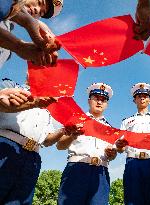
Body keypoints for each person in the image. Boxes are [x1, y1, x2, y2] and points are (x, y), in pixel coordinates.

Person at [0, 77, 76, 205]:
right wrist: (34, 102)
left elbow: (47, 141)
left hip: (32, 158)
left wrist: (63, 131)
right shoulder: (11, 86)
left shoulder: (50, 107)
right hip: (5, 147)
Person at [57, 83, 117, 205]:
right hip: (76, 169)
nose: (100, 102)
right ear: (89, 100)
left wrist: (112, 154)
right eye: (96, 98)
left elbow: (113, 156)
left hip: (101, 172)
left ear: (106, 104)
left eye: (103, 100)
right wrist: (72, 136)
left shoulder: (110, 129)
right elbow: (60, 145)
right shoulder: (75, 120)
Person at [115, 82, 150, 205]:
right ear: (134, 100)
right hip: (133, 163)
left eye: (145, 96)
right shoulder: (127, 121)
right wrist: (119, 146)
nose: (142, 98)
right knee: (133, 200)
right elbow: (120, 148)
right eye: (139, 96)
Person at [0, 0, 63, 67]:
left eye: (41, 13)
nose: (37, 10)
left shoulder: (5, 51)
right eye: (39, 2)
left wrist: (20, 47)